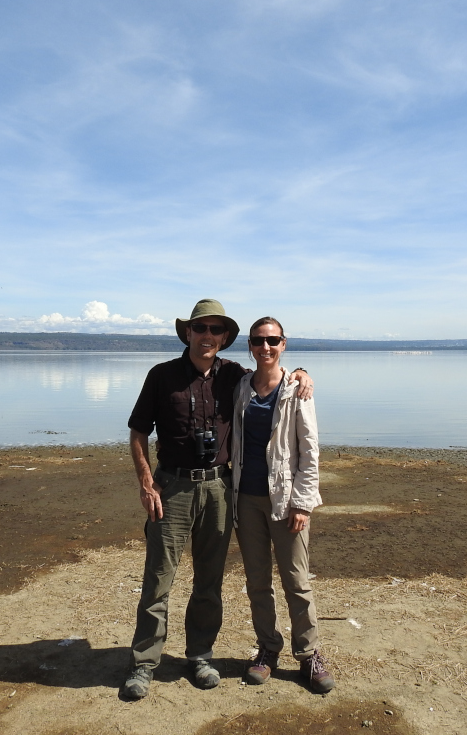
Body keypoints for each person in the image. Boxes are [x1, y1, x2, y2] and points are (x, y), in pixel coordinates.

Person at [123, 299, 313, 700]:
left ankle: (200, 655)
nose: (207, 335)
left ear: (225, 338)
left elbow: (272, 376)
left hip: (220, 489)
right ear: (188, 333)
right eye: (200, 328)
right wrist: (145, 482)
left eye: (215, 330)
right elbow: (138, 433)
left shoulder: (235, 377)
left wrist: (302, 373)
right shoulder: (161, 376)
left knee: (209, 581)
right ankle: (144, 663)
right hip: (170, 489)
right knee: (158, 579)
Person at [231, 316, 334, 694]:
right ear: (250, 346)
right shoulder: (241, 386)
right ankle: (267, 649)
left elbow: (310, 452)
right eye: (258, 341)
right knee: (258, 582)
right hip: (246, 500)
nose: (266, 347)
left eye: (272, 341)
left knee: (297, 582)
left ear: (284, 344)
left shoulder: (296, 390)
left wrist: (303, 504)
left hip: (286, 501)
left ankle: (308, 655)